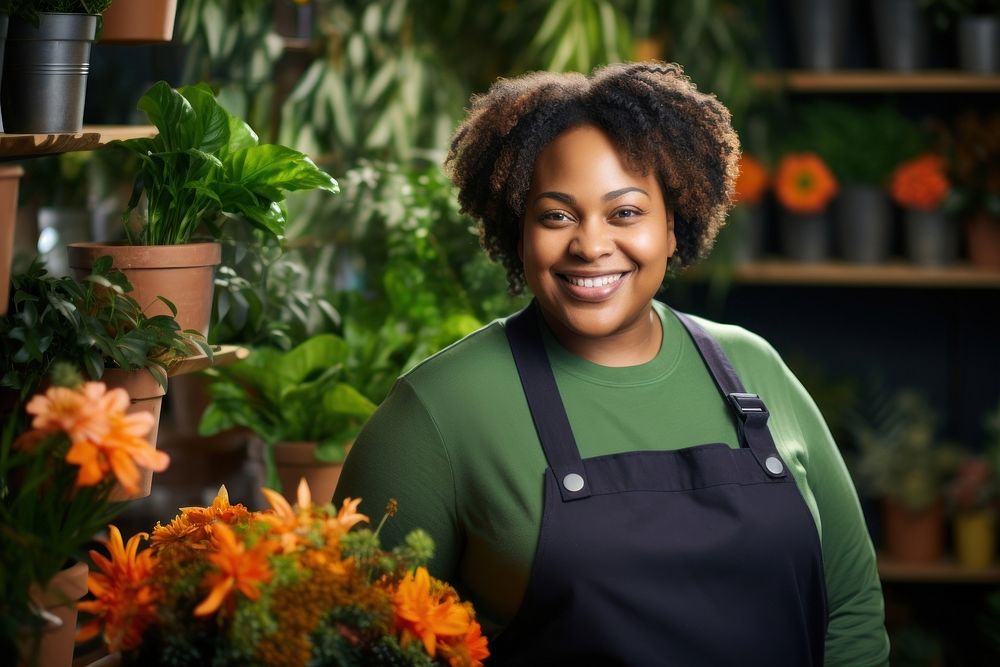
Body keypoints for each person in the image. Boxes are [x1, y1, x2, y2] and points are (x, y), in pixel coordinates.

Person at [334, 61, 889, 665]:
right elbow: (357, 643)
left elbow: (851, 609)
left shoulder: (753, 369)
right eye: (556, 215)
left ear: (673, 227)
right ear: (517, 230)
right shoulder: (439, 411)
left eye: (625, 212)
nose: (591, 245)